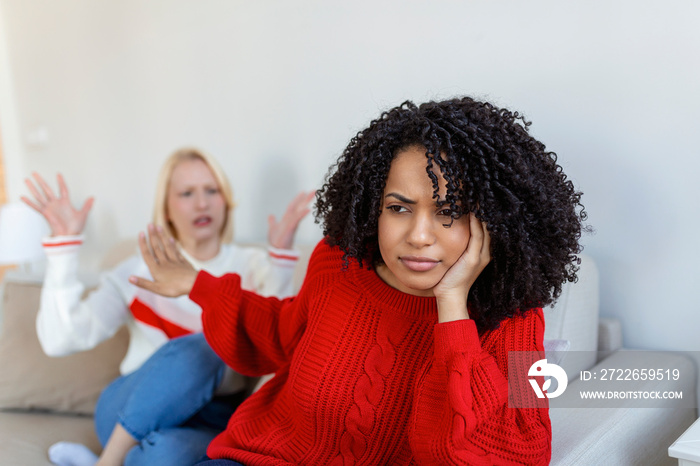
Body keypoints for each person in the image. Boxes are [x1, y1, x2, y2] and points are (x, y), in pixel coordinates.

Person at [132, 97, 588, 465]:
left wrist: (453, 308)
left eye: (449, 212)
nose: (419, 235)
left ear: (491, 221)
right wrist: (199, 284)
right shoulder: (337, 262)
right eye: (399, 207)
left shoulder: (518, 318)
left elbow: (524, 450)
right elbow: (282, 333)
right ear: (374, 207)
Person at [21, 147, 315, 466]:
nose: (202, 203)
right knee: (205, 346)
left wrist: (280, 262)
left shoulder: (254, 265)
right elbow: (61, 339)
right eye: (187, 193)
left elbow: (274, 348)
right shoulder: (140, 268)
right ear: (167, 209)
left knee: (161, 455)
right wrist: (63, 251)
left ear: (226, 201)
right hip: (127, 407)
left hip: (210, 417)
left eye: (211, 190)